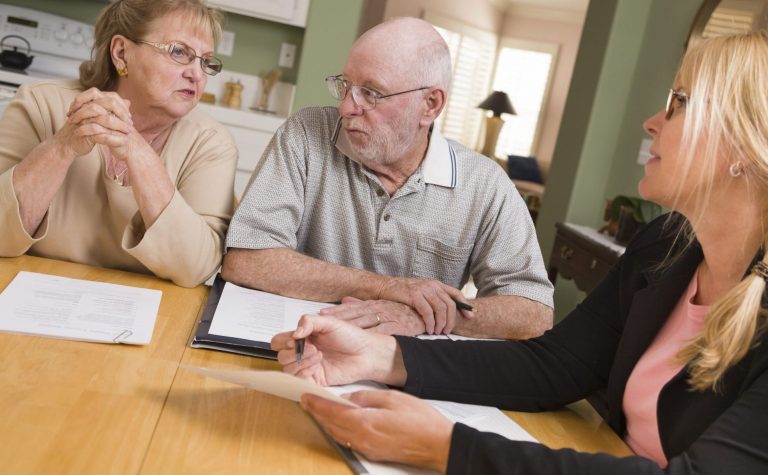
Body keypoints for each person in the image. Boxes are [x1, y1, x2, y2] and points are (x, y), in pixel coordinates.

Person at [272, 31, 768, 473]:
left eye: (678, 103)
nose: (652, 122)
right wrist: (381, 356)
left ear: (743, 144)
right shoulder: (664, 245)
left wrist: (445, 448)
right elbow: (555, 366)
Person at [223, 17, 553, 339]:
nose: (346, 108)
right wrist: (386, 288)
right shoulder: (306, 134)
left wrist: (424, 315)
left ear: (430, 105)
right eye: (346, 86)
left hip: (408, 365)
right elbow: (246, 260)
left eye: (371, 93)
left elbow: (534, 313)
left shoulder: (485, 185)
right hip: (304, 341)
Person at [0, 0, 236, 288]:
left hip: (150, 309)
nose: (197, 75)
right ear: (122, 53)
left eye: (205, 61)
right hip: (31, 298)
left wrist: (137, 151)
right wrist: (63, 146)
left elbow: (195, 268)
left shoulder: (211, 144)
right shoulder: (40, 104)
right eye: (179, 52)